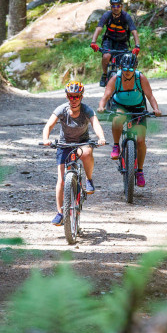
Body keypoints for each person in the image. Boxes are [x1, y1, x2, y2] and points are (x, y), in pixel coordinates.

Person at [42, 81, 106, 226]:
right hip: (64, 144)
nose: (73, 99)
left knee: (86, 153)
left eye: (76, 96)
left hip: (82, 142)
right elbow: (49, 125)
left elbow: (95, 124)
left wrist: (101, 138)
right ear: (67, 96)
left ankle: (89, 180)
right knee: (61, 180)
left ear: (81, 97)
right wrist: (46, 139)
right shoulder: (61, 109)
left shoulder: (86, 110)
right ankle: (60, 212)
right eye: (71, 96)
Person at [97, 53, 161, 188]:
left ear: (135, 68)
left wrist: (156, 109)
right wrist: (101, 107)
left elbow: (150, 96)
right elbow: (106, 96)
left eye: (130, 69)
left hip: (138, 107)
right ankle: (116, 145)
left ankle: (140, 171)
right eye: (124, 69)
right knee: (118, 118)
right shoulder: (116, 78)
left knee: (141, 141)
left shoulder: (140, 78)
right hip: (120, 106)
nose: (127, 72)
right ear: (120, 68)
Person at [90, 0, 141, 87]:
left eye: (118, 5)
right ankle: (105, 75)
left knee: (124, 62)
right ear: (111, 6)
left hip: (122, 42)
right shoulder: (107, 15)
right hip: (109, 40)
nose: (116, 8)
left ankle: (124, 80)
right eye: (113, 5)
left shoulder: (126, 16)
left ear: (121, 6)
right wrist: (93, 42)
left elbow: (134, 31)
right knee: (106, 56)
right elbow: (99, 28)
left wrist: (137, 46)